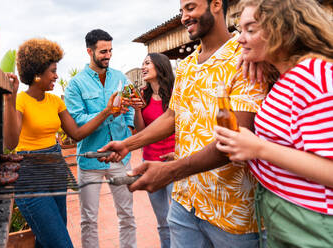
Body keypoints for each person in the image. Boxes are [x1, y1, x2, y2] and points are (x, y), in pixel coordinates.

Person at [99, 0, 269, 247]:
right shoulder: (188, 65)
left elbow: (236, 139)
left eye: (191, 7)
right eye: (181, 11)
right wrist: (128, 144)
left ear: (217, 4)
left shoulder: (245, 57)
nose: (184, 17)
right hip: (184, 202)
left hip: (231, 212)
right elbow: (171, 117)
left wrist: (170, 171)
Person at [214, 0, 333, 247]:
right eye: (239, 29)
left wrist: (258, 149)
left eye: (251, 29)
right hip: (282, 209)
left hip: (310, 220)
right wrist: (248, 151)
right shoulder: (287, 77)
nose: (239, 39)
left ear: (285, 30)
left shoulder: (314, 78)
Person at [3, 38, 118, 248]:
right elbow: (11, 142)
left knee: (47, 242)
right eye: (53, 71)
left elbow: (76, 133)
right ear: (37, 73)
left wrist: (107, 112)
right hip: (30, 177)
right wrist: (9, 101)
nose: (56, 75)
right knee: (60, 243)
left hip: (55, 171)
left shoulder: (55, 101)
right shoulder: (20, 100)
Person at [64, 29, 136, 248]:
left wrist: (129, 130)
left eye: (110, 50)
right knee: (88, 220)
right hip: (91, 161)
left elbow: (130, 105)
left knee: (127, 215)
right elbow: (79, 122)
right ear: (89, 51)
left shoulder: (120, 77)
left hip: (120, 159)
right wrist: (107, 112)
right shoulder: (75, 85)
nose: (108, 55)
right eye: (103, 51)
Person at [131, 53, 175, 248]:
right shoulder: (143, 94)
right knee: (163, 221)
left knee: (178, 218)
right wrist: (137, 109)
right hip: (149, 162)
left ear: (160, 66)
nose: (143, 67)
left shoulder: (176, 92)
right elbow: (141, 132)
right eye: (142, 63)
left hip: (174, 162)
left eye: (147, 63)